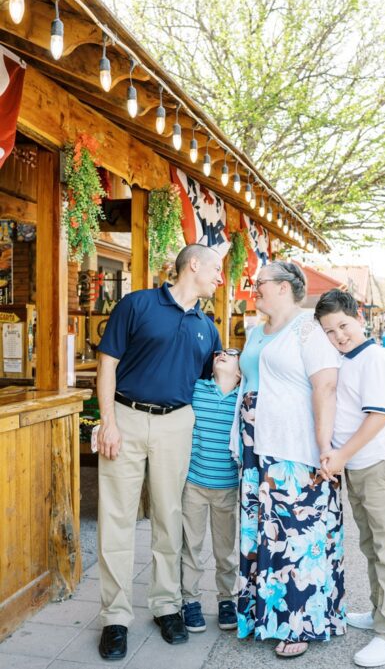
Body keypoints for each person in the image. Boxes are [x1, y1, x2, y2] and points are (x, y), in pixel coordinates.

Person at [94, 244, 224, 661]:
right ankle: (115, 618)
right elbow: (107, 364)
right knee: (117, 517)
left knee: (170, 516)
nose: (221, 277)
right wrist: (108, 422)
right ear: (194, 265)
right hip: (127, 418)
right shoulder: (138, 304)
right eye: (217, 269)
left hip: (177, 424)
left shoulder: (209, 326)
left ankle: (165, 606)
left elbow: (212, 383)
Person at [231, 260, 346, 659]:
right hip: (256, 445)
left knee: (296, 532)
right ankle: (260, 615)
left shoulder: (307, 330)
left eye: (258, 283)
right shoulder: (255, 330)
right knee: (261, 530)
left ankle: (300, 622)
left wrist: (324, 447)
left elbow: (326, 387)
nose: (253, 289)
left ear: (283, 287)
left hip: (293, 447)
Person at [316, 289, 385, 668]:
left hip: (382, 467)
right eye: (329, 331)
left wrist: (340, 455)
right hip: (357, 468)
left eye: (343, 325)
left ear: (358, 317)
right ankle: (379, 613)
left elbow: (379, 416)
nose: (339, 335)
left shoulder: (373, 358)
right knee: (373, 548)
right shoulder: (345, 359)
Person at [179, 347, 242, 634]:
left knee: (225, 551)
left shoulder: (243, 399)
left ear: (240, 372)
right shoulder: (197, 388)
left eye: (232, 353)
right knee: (190, 547)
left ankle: (227, 599)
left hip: (227, 487)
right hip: (194, 483)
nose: (222, 353)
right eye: (219, 352)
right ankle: (190, 600)